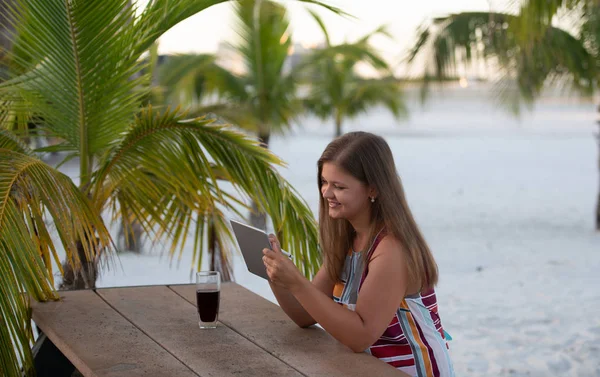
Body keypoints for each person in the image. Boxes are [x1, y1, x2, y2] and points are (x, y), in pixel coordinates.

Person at [262, 131, 454, 377]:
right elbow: (304, 315)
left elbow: (360, 336)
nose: (326, 193)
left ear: (372, 189)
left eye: (339, 186)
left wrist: (297, 282)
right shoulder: (348, 242)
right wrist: (276, 273)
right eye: (324, 182)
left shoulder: (391, 249)